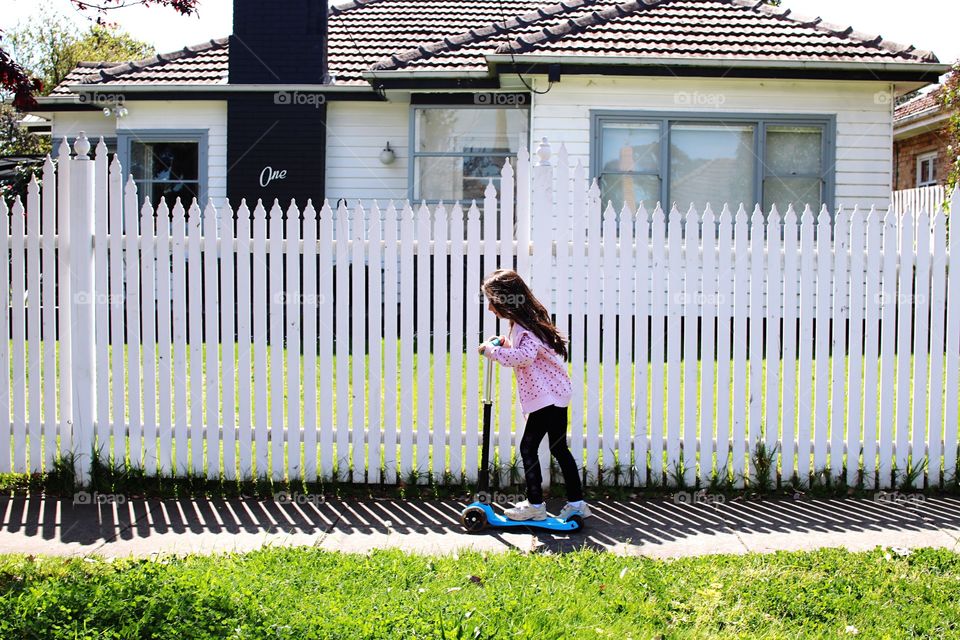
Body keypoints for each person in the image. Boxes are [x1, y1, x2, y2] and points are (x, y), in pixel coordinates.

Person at [477, 268, 591, 522]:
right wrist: (506, 345)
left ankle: (535, 505)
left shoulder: (524, 327)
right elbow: (529, 352)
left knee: (528, 448)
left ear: (506, 300)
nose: (489, 308)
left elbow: (525, 357)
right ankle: (577, 503)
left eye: (492, 301)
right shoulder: (528, 324)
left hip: (545, 397)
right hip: (556, 394)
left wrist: (491, 352)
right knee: (559, 448)